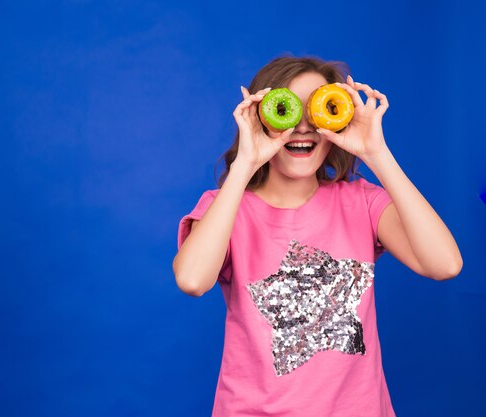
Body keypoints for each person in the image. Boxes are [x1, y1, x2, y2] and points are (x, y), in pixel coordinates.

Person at [172, 56, 463, 417]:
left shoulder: (362, 203)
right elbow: (192, 280)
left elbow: (445, 264)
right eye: (287, 112)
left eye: (318, 111)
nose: (304, 128)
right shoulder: (225, 208)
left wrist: (377, 152)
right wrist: (246, 162)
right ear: (261, 118)